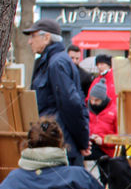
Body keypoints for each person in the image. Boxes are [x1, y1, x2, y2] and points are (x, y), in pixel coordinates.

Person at [23, 18, 89, 165]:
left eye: (33, 36)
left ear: (46, 37)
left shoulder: (56, 63)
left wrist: (82, 141)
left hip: (61, 146)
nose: (29, 41)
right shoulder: (50, 61)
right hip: (53, 143)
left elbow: (71, 104)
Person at [86, 54, 119, 161]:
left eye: (102, 64)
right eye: (98, 64)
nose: (100, 67)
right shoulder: (96, 81)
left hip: (111, 117)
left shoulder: (115, 79)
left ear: (109, 65)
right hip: (94, 141)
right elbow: (88, 99)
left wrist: (103, 140)